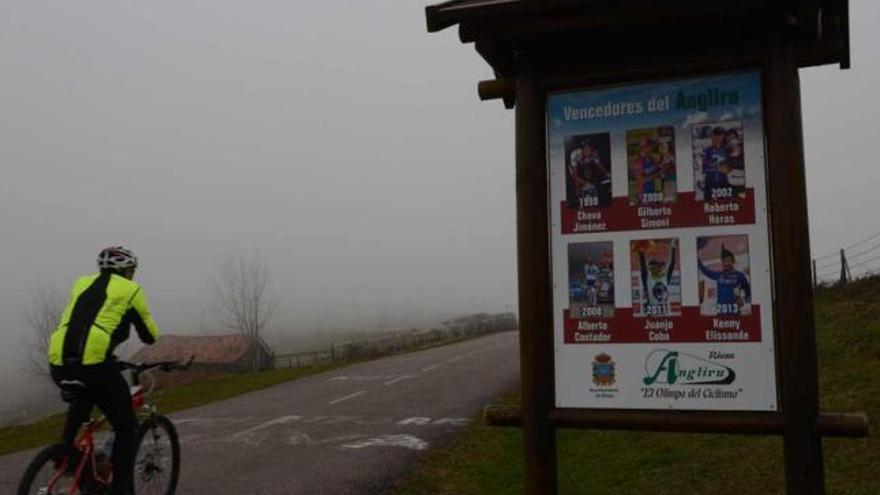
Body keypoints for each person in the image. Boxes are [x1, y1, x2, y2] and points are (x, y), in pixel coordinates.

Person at [47, 246, 161, 494]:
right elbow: (150, 336)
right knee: (125, 425)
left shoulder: (81, 284)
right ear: (126, 270)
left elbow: (85, 321)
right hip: (95, 362)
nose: (132, 275)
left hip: (58, 358)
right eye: (132, 270)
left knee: (85, 397)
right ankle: (121, 489)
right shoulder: (131, 290)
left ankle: (67, 454)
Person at [698, 244, 751, 315]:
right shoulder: (719, 275)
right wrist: (697, 260)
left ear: (733, 261)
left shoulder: (740, 276)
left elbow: (749, 294)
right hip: (720, 313)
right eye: (724, 261)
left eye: (728, 260)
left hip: (735, 313)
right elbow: (705, 271)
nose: (726, 263)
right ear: (722, 262)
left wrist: (743, 300)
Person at [638, 240, 677, 315]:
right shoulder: (648, 279)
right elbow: (643, 267)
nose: (660, 268)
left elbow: (672, 265)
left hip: (664, 317)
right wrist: (641, 251)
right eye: (657, 267)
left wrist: (673, 247)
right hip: (653, 317)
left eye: (660, 266)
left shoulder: (664, 278)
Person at [569, 139, 612, 208]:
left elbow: (600, 166)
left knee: (590, 177)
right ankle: (578, 200)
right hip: (575, 167)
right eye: (587, 150)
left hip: (585, 164)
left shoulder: (594, 153)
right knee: (576, 181)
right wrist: (586, 182)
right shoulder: (575, 154)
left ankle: (593, 197)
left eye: (591, 150)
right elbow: (575, 176)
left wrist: (608, 174)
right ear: (582, 150)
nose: (590, 152)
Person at [700, 126, 731, 199]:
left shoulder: (727, 150)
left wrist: (728, 168)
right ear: (712, 136)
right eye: (716, 135)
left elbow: (730, 167)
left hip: (723, 183)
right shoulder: (707, 150)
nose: (718, 138)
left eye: (720, 135)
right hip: (710, 183)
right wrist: (717, 168)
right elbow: (704, 168)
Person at [634, 137, 663, 204]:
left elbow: (657, 168)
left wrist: (662, 165)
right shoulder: (638, 160)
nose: (650, 148)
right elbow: (641, 180)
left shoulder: (650, 157)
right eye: (647, 146)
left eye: (650, 146)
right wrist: (657, 175)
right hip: (643, 192)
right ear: (642, 148)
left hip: (651, 191)